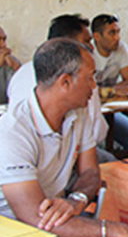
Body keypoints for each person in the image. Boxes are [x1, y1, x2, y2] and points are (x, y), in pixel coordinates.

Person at [0, 39, 128, 237]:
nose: (94, 86)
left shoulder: (78, 114)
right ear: (65, 82)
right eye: (90, 77)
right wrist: (116, 230)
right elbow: (34, 218)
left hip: (49, 222)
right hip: (13, 233)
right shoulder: (12, 132)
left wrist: (77, 199)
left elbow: (90, 172)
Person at [8, 15, 114, 162]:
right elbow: (97, 134)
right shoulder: (80, 78)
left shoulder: (22, 72)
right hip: (62, 157)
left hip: (55, 156)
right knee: (114, 164)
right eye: (86, 41)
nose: (91, 47)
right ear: (68, 46)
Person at [91, 14, 128, 150]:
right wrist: (115, 90)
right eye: (112, 33)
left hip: (112, 110)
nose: (117, 37)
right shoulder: (88, 53)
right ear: (97, 37)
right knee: (97, 151)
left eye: (118, 32)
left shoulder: (121, 48)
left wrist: (103, 92)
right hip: (91, 113)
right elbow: (89, 92)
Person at [0, 24, 21, 103]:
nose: (3, 45)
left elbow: (23, 90)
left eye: (4, 40)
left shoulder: (10, 60)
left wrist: (16, 67)